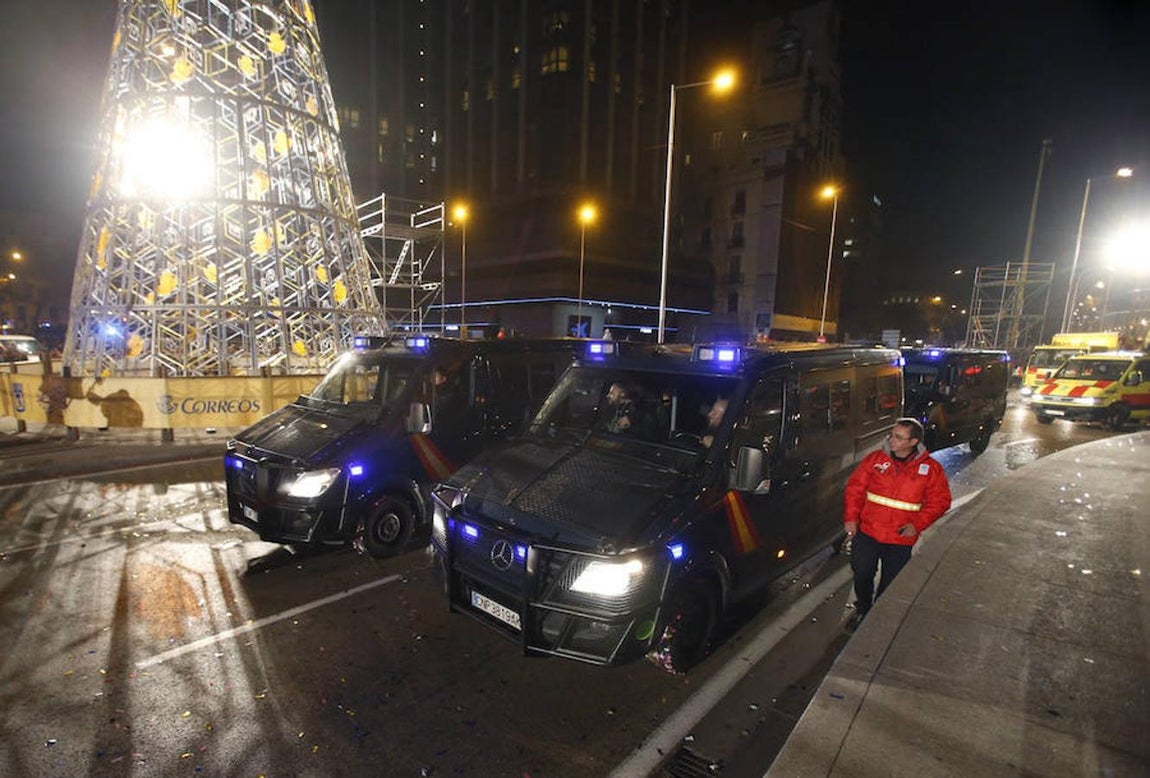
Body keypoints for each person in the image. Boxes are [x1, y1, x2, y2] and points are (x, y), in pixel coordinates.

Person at [842, 417, 951, 631]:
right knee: (862, 572)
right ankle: (863, 607)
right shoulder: (875, 460)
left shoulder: (930, 469)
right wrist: (851, 518)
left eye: (899, 437)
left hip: (900, 537)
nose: (891, 439)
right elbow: (855, 488)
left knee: (890, 581)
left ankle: (875, 616)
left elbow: (940, 501)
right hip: (868, 531)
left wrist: (917, 524)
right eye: (892, 434)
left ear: (913, 442)